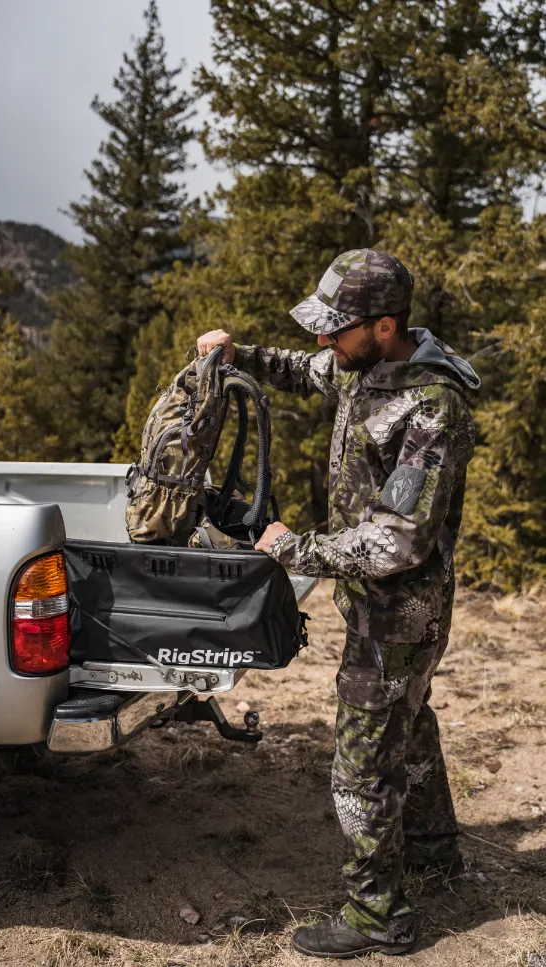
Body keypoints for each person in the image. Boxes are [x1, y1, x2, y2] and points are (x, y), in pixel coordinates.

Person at [197, 248, 480, 959]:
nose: (324, 341)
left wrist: (295, 548)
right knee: (406, 723)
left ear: (384, 326)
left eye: (337, 328)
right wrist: (240, 355)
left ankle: (376, 912)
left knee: (361, 760)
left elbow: (398, 540)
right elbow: (304, 368)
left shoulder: (430, 407)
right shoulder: (361, 363)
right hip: (379, 606)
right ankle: (434, 848)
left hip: (399, 608)